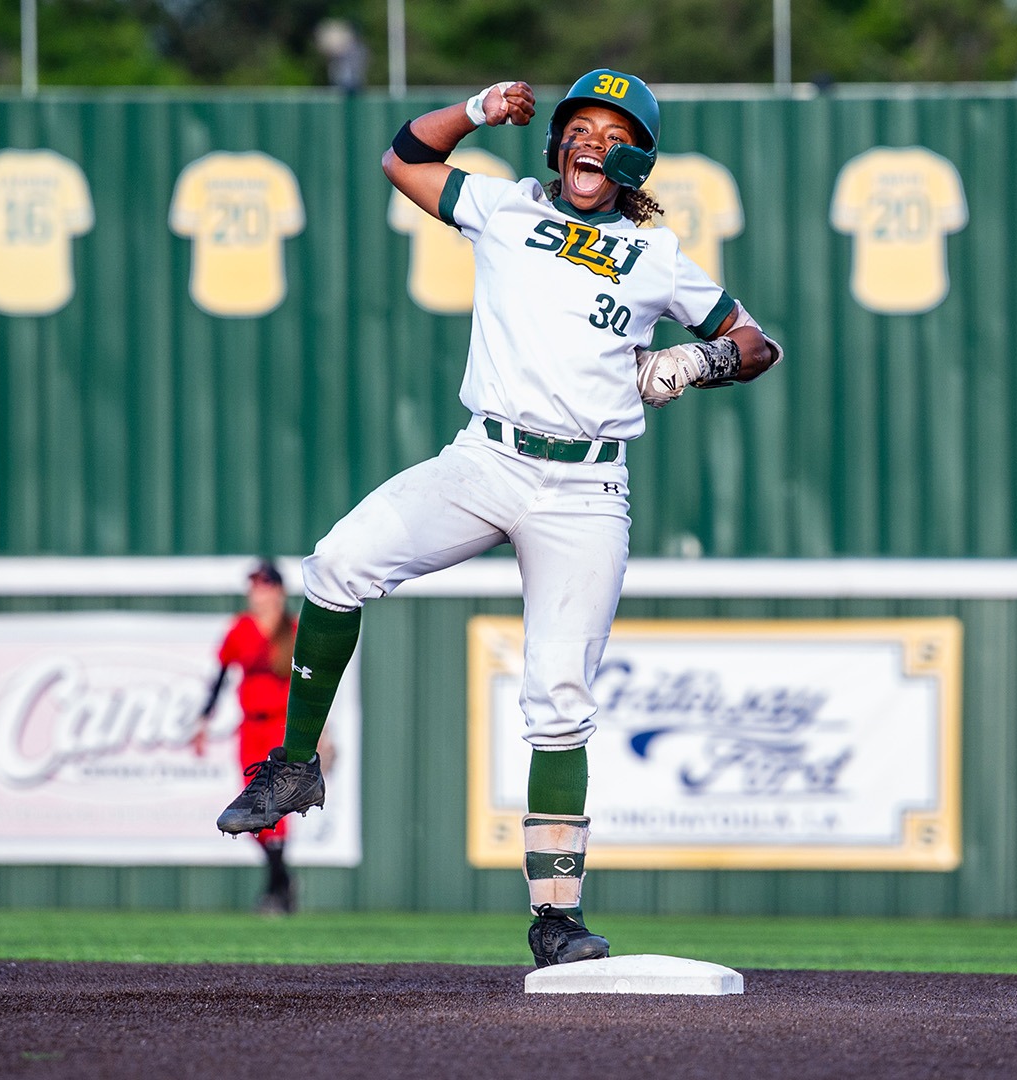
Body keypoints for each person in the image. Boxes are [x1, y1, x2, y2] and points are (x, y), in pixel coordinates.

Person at [215, 69, 782, 965]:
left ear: (637, 158)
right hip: (485, 457)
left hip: (586, 490)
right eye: (579, 127)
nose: (591, 141)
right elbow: (404, 158)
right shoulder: (507, 207)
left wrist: (698, 361)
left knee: (558, 701)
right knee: (334, 566)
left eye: (612, 130)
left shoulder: (657, 255)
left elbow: (759, 343)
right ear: (557, 142)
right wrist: (478, 109)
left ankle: (555, 918)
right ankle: (292, 764)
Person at [198, 559, 301, 914]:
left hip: (279, 728)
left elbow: (308, 687)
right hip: (250, 727)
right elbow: (220, 676)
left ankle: (275, 891)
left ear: (279, 591)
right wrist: (203, 718)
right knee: (251, 807)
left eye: (265, 585)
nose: (258, 592)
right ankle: (283, 882)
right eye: (254, 586)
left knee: (273, 805)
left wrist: (320, 734)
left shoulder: (292, 630)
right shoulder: (241, 628)